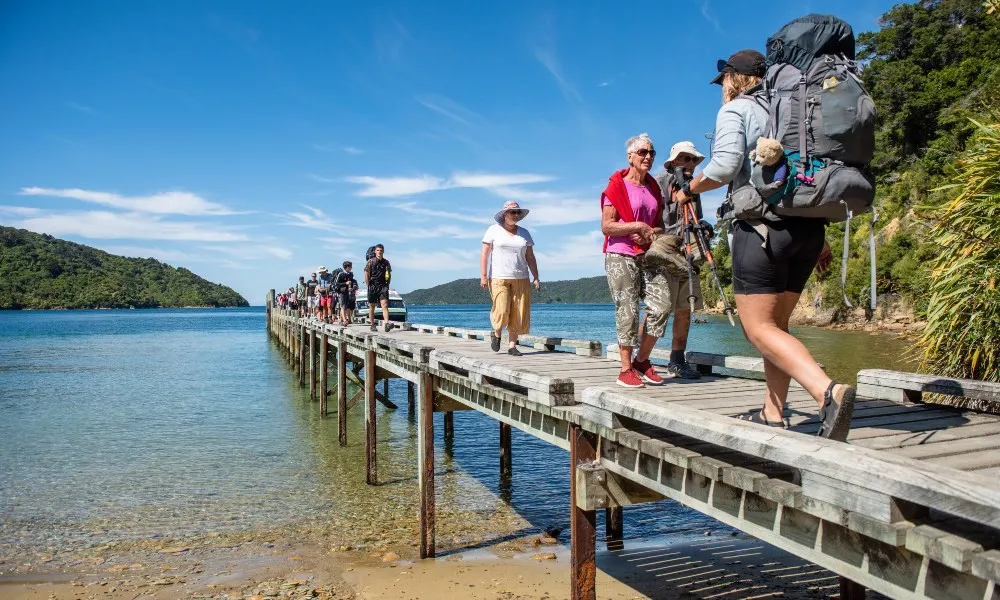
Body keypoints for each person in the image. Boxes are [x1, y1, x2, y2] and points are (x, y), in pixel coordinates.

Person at [673, 49, 855, 440]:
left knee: (758, 330)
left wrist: (689, 189)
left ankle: (828, 392)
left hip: (762, 229)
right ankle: (773, 411)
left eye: (723, 81)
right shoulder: (795, 106)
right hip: (809, 228)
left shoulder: (736, 110)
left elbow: (722, 167)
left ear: (734, 79)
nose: (721, 88)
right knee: (779, 326)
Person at [602, 133, 671, 388]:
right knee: (628, 309)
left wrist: (651, 232)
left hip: (648, 253)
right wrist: (638, 225)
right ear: (630, 157)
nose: (649, 157)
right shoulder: (617, 187)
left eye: (652, 152)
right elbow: (607, 226)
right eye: (643, 152)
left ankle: (642, 360)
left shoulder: (654, 188)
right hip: (620, 253)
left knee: (662, 305)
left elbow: (660, 225)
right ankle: (625, 368)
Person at [653, 141, 709, 379]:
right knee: (659, 307)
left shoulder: (693, 188)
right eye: (685, 159)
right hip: (665, 249)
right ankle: (640, 357)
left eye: (693, 160)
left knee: (685, 308)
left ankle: (677, 360)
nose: (690, 164)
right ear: (673, 161)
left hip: (688, 251)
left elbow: (696, 217)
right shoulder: (658, 183)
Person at [480, 201, 541, 356]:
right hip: (498, 277)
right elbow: (485, 254)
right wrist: (484, 276)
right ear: (504, 214)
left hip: (521, 277)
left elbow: (530, 257)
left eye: (517, 213)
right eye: (512, 212)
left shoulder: (524, 233)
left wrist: (536, 277)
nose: (515, 215)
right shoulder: (493, 230)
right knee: (501, 308)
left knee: (518, 312)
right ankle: (497, 333)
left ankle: (512, 346)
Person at [364, 244, 393, 332]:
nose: (379, 252)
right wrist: (368, 284)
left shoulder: (386, 262)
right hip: (373, 285)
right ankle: (372, 324)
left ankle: (386, 323)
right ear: (375, 252)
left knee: (385, 305)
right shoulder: (370, 261)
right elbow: (366, 273)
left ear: (383, 251)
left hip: (383, 286)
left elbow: (389, 273)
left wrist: (388, 284)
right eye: (378, 250)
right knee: (372, 306)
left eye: (381, 250)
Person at [335, 261, 359, 325]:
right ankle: (345, 320)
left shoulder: (350, 274)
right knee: (343, 306)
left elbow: (350, 283)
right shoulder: (341, 274)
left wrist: (352, 287)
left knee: (346, 306)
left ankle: (345, 320)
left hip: (347, 292)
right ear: (347, 267)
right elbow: (336, 284)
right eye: (350, 266)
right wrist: (345, 283)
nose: (351, 267)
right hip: (341, 292)